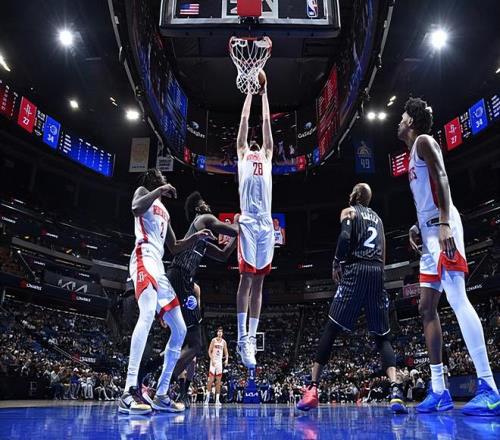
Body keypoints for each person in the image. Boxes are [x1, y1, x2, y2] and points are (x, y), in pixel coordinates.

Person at [398, 97, 499, 416]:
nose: (398, 122)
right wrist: (418, 226)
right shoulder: (411, 154)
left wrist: (443, 222)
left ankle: (489, 387)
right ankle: (439, 390)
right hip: (428, 231)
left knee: (457, 298)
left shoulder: (424, 142)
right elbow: (426, 193)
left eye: (402, 117)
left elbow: (441, 176)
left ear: (411, 122)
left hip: (442, 228)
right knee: (426, 306)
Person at [297, 183, 407, 414]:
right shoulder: (378, 219)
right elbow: (383, 253)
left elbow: (345, 236)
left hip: (356, 269)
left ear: (354, 195)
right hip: (377, 272)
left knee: (331, 328)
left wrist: (337, 262)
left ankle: (313, 388)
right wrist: (378, 279)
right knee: (382, 336)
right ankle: (396, 390)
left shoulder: (349, 211)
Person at [118, 168, 214, 415]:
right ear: (153, 179)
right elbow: (136, 208)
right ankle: (128, 391)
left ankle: (161, 394)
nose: (165, 179)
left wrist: (197, 236)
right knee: (147, 313)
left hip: (159, 265)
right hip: (143, 256)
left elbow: (175, 246)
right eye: (161, 177)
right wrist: (159, 190)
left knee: (180, 328)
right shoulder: (143, 192)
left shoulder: (165, 212)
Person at [165, 191, 238, 407]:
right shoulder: (203, 219)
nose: (208, 206)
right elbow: (232, 229)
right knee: (195, 343)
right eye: (204, 203)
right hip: (179, 276)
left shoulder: (202, 240)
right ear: (198, 208)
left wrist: (238, 237)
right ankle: (161, 384)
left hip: (182, 280)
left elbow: (224, 255)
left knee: (191, 344)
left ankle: (164, 384)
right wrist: (240, 222)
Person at [235, 70, 275, 369]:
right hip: (248, 220)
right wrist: (250, 91)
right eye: (252, 143)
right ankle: (240, 337)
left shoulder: (267, 155)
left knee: (259, 281)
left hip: (266, 222)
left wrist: (265, 93)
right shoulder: (242, 154)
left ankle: (251, 337)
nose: (255, 143)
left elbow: (264, 124)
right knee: (246, 277)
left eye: (258, 143)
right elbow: (246, 122)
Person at [204, 327, 229, 406]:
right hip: (213, 362)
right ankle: (207, 399)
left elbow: (226, 353)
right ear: (217, 333)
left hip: (219, 363)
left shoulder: (224, 342)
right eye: (218, 331)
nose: (219, 333)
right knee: (210, 380)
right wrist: (212, 359)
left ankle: (217, 400)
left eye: (221, 332)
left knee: (218, 382)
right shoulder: (213, 340)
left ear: (222, 333)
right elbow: (209, 351)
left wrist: (226, 360)